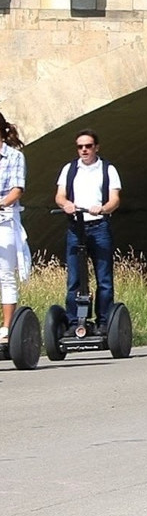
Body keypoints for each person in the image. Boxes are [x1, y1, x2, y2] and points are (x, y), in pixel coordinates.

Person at [55, 129, 122, 333]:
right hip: (76, 227)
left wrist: (103, 208)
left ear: (96, 147)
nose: (84, 150)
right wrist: (65, 204)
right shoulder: (70, 169)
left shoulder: (107, 169)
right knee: (74, 277)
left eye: (88, 146)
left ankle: (104, 322)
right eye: (80, 147)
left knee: (104, 278)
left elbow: (115, 200)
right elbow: (60, 195)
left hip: (99, 226)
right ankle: (75, 323)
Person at [0, 113, 29, 345]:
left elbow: (17, 190)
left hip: (5, 220)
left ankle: (7, 329)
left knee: (5, 275)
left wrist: (0, 203)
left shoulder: (14, 157)